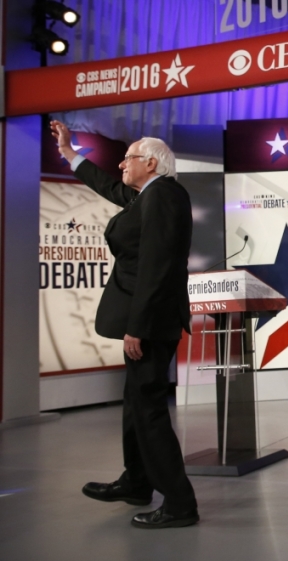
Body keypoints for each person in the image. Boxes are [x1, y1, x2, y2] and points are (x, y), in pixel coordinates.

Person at [50, 120, 198, 529]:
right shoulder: (147, 196)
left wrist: (139, 326)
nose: (120, 164)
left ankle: (180, 503)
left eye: (128, 158)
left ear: (151, 162)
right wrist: (69, 152)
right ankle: (136, 481)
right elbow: (109, 187)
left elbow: (157, 266)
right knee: (136, 406)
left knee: (149, 410)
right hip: (146, 319)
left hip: (150, 322)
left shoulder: (164, 196)